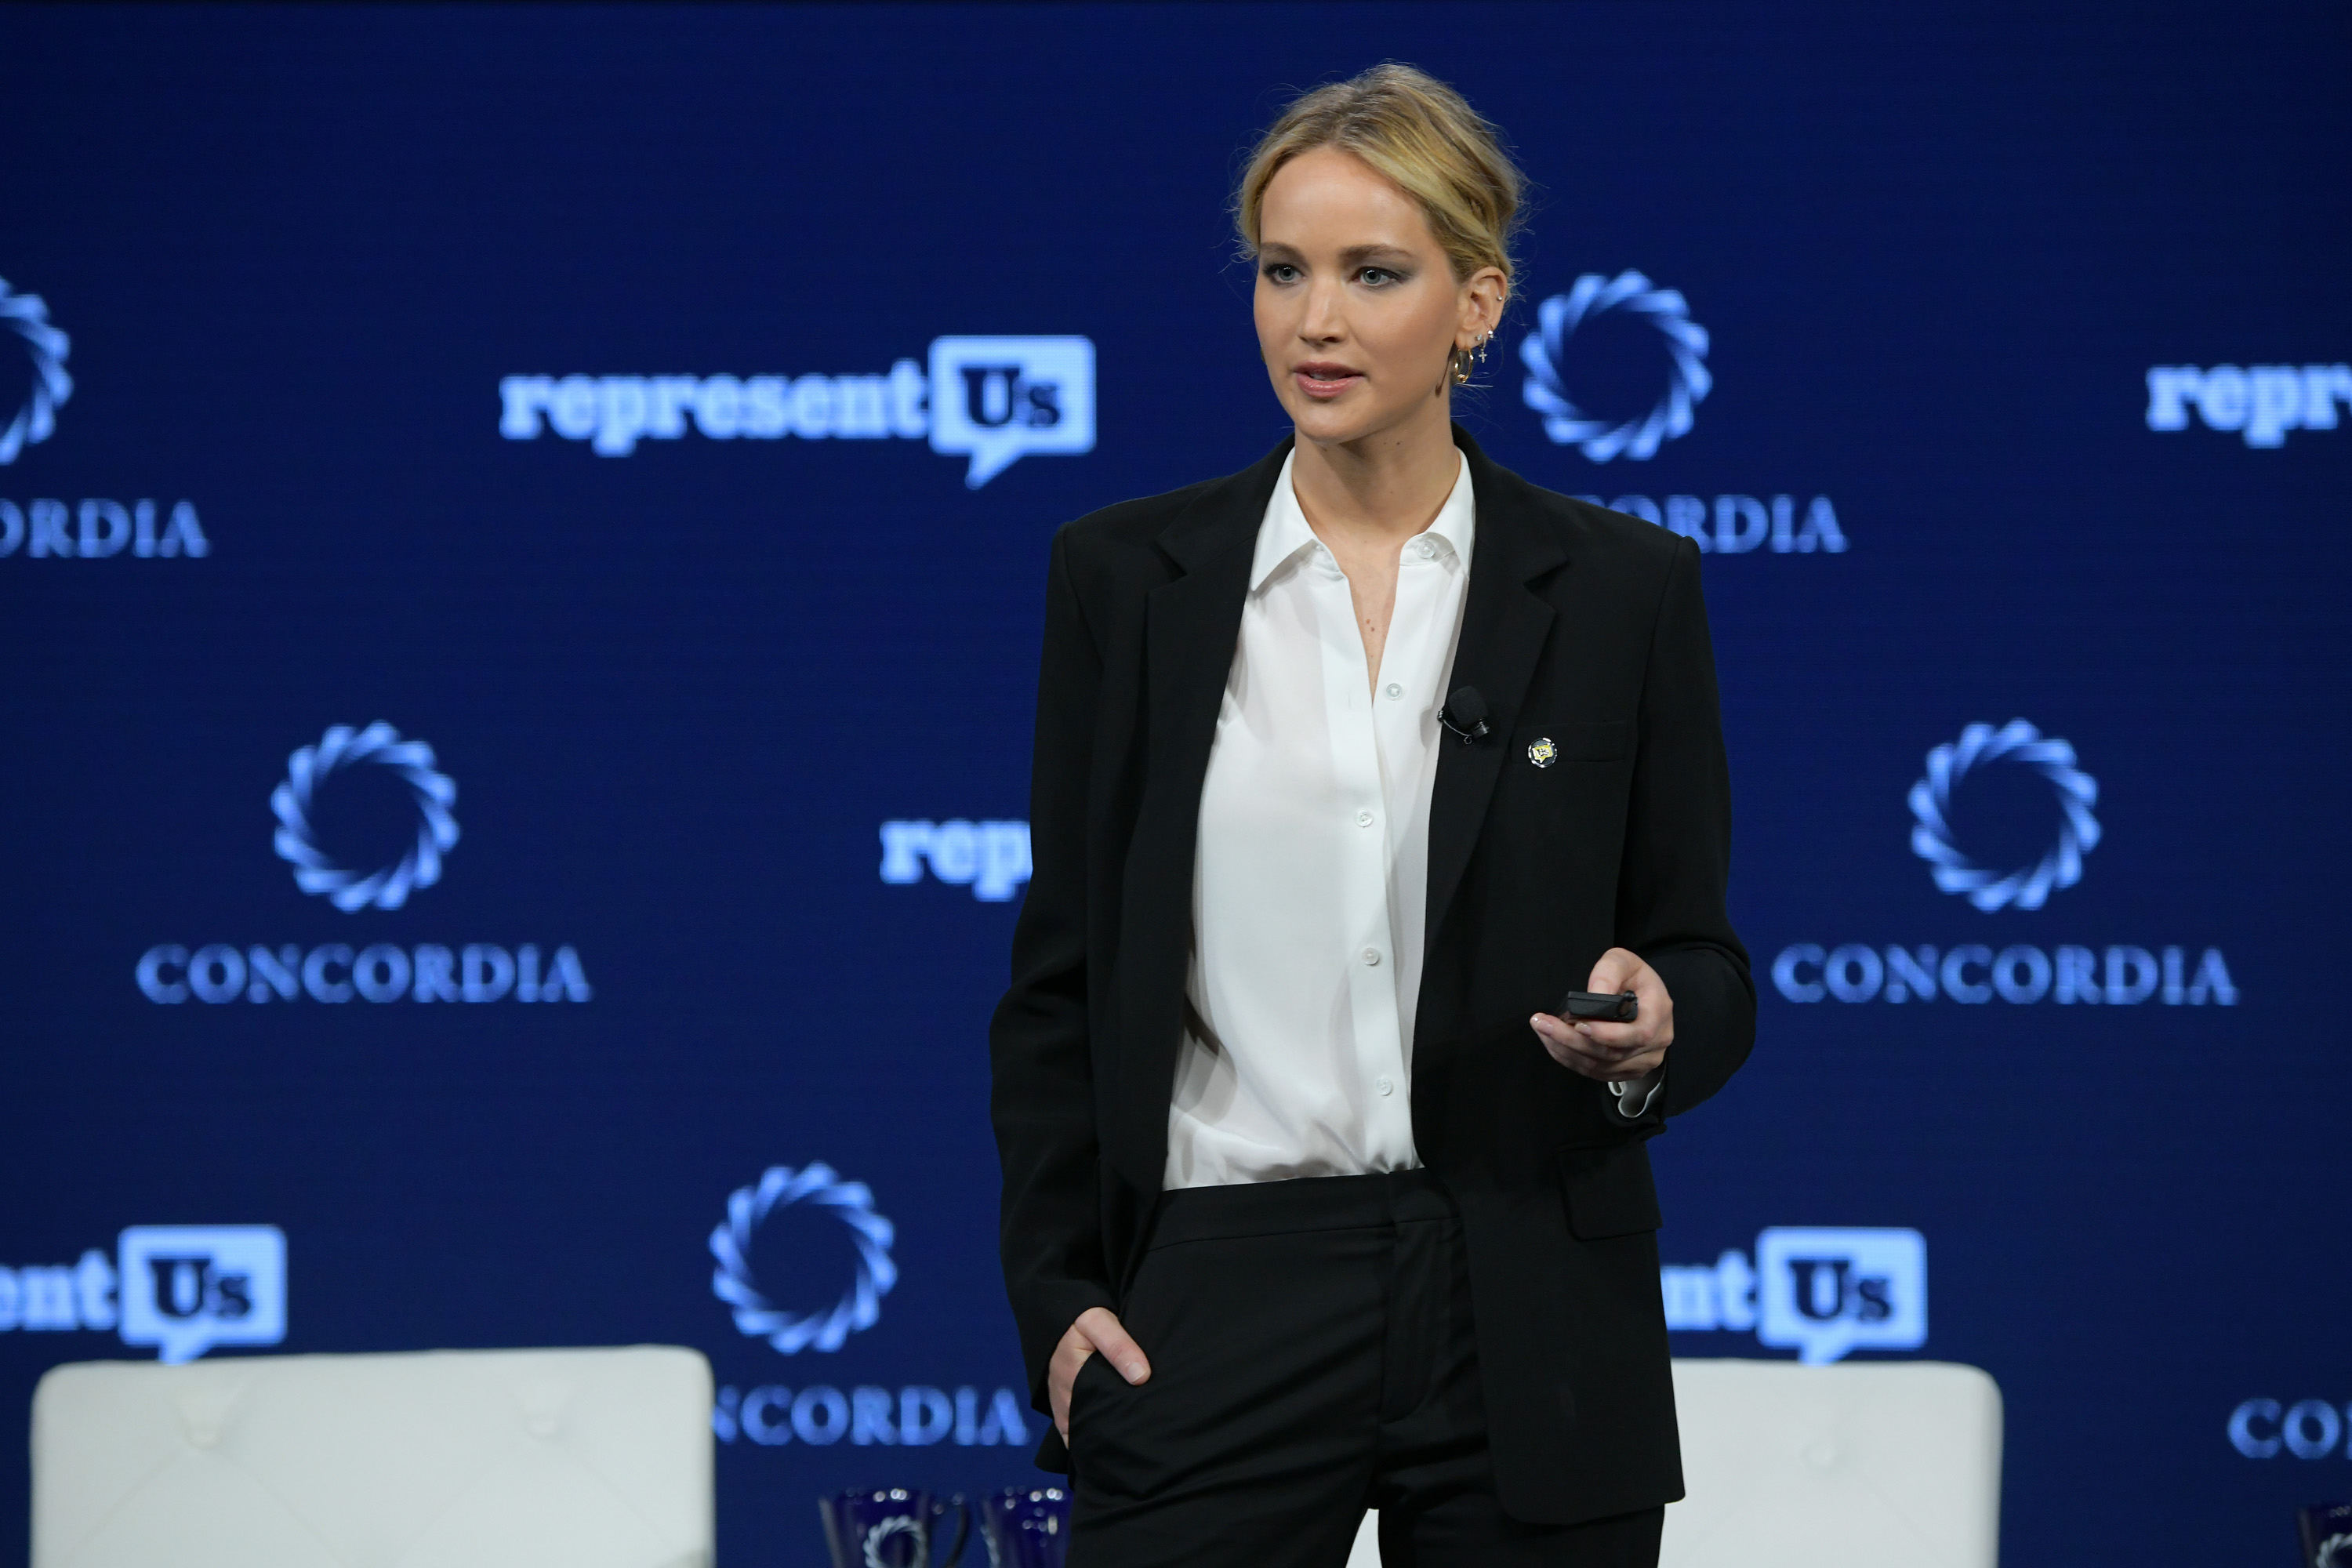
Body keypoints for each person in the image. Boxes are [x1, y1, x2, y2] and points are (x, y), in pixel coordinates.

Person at [989, 63, 1753, 1568]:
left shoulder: (1622, 592)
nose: (1313, 319)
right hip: (1219, 1289)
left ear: (1480, 303)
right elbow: (1059, 984)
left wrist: (1666, 1024)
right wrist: (1058, 1294)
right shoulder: (1123, 582)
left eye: (1371, 274)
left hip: (1532, 1288)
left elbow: (1703, 957)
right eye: (1283, 271)